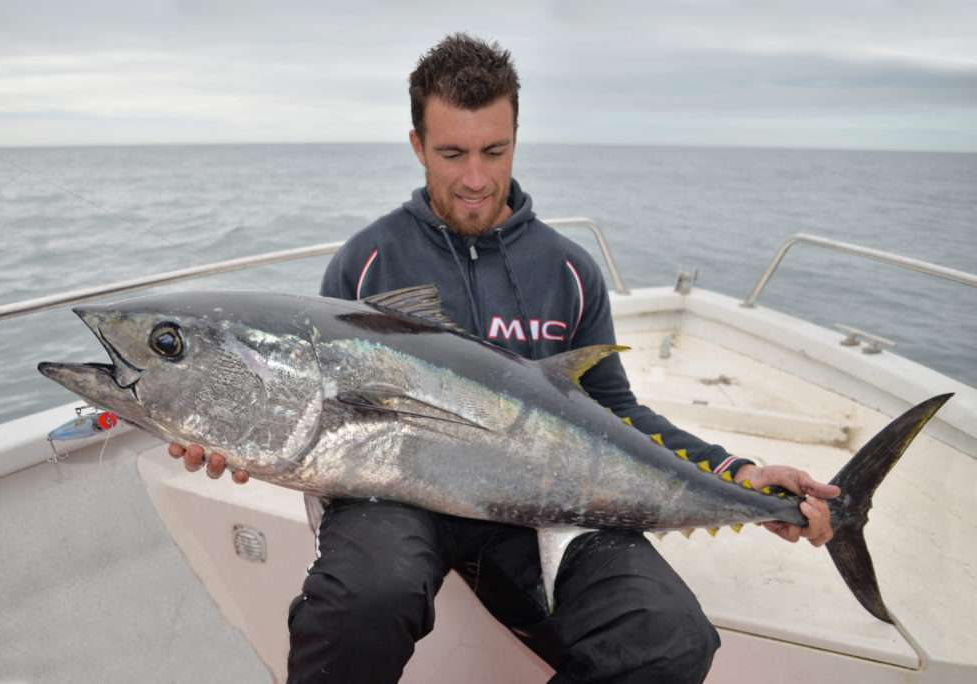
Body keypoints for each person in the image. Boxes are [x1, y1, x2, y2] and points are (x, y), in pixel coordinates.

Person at [169, 33, 839, 684]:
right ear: (417, 146)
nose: (475, 179)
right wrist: (231, 431)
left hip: (541, 503)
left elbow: (615, 410)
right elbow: (310, 405)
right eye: (452, 153)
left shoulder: (568, 271)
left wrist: (735, 472)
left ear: (516, 138)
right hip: (392, 497)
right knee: (360, 605)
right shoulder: (367, 262)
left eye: (494, 151)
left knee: (668, 637)